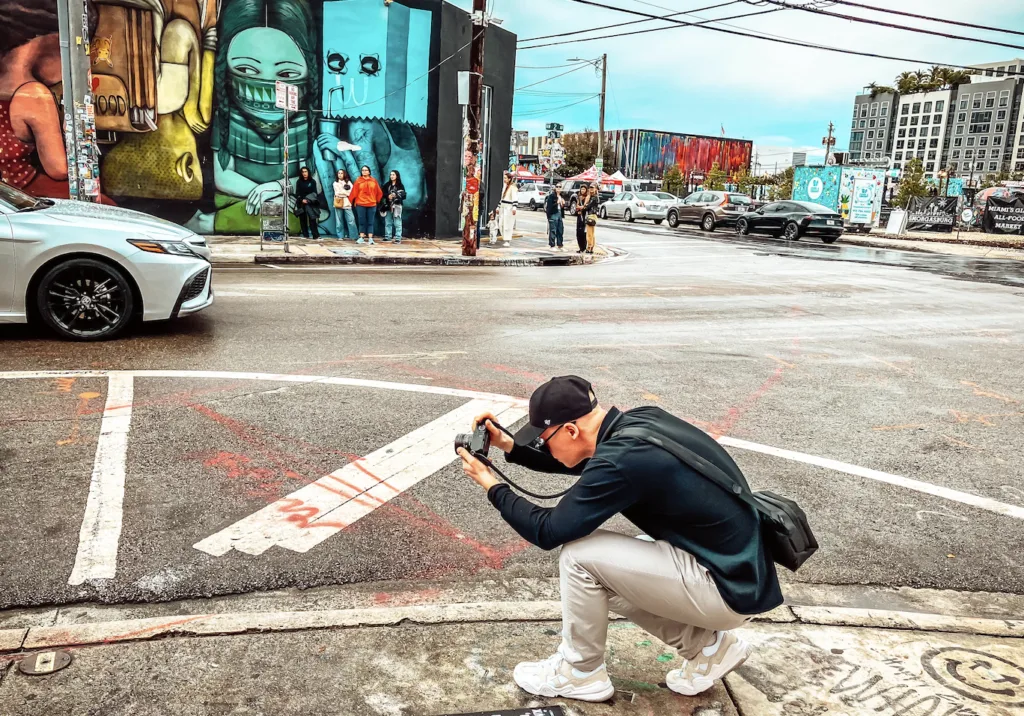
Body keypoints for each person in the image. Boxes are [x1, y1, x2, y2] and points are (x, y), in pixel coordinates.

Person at [457, 375, 783, 703]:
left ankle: (580, 673)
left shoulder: (622, 460)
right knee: (606, 574)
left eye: (543, 441)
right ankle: (709, 648)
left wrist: (492, 486)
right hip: (739, 573)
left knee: (580, 556)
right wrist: (508, 445)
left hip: (725, 587)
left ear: (570, 430)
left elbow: (548, 531)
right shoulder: (640, 423)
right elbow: (586, 463)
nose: (544, 448)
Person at [350, 165, 383, 244]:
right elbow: (354, 192)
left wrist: (376, 200)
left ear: (369, 171)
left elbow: (379, 192)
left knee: (370, 222)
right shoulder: (358, 181)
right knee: (362, 221)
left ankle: (370, 238)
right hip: (360, 203)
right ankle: (361, 237)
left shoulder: (373, 181)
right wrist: (351, 201)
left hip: (371, 204)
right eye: (363, 170)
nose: (364, 171)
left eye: (366, 170)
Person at [294, 166, 320, 240]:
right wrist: (302, 200)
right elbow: (297, 193)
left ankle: (315, 235)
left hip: (310, 203)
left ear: (308, 172)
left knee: (312, 219)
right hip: (301, 203)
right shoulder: (299, 182)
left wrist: (308, 200)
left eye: (306, 172)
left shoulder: (312, 181)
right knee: (303, 220)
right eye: (303, 172)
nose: (304, 173)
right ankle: (306, 235)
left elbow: (314, 193)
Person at [382, 170, 406, 243]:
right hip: (388, 205)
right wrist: (388, 196)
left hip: (397, 205)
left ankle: (398, 237)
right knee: (388, 221)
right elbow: (383, 193)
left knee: (397, 221)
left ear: (397, 176)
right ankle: (388, 236)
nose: (392, 176)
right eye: (391, 175)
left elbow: (404, 196)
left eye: (393, 175)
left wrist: (396, 195)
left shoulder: (400, 185)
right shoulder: (387, 185)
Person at [332, 169, 357, 239]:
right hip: (338, 202)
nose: (340, 174)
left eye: (341, 173)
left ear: (344, 174)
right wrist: (345, 192)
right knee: (339, 221)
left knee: (351, 220)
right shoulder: (335, 183)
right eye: (339, 173)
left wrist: (342, 192)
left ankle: (354, 236)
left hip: (347, 203)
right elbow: (337, 193)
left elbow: (351, 192)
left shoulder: (348, 182)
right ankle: (340, 236)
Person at [498, 172, 518, 247]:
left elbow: (515, 198)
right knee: (501, 224)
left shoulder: (513, 187)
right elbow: (502, 198)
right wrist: (498, 207)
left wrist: (514, 207)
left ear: (509, 179)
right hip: (503, 207)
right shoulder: (505, 186)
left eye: (505, 178)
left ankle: (507, 240)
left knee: (508, 224)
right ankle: (505, 238)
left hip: (509, 207)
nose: (504, 180)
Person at [544, 184, 565, 250]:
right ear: (555, 188)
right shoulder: (552, 196)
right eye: (557, 187)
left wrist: (562, 204)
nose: (558, 188)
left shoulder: (561, 196)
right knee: (553, 230)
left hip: (559, 214)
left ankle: (560, 245)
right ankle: (552, 245)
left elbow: (562, 207)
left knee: (560, 230)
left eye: (560, 187)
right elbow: (549, 207)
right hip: (553, 214)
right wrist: (557, 202)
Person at [574, 185, 591, 253]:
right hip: (579, 215)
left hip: (584, 216)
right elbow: (577, 206)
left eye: (584, 189)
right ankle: (580, 247)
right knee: (578, 232)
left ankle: (584, 247)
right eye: (581, 189)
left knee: (583, 232)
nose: (582, 190)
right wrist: (579, 208)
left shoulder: (587, 197)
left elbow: (585, 206)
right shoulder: (579, 197)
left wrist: (581, 207)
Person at [585, 183, 600, 254]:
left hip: (591, 215)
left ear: (596, 189)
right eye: (590, 188)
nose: (591, 190)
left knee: (589, 233)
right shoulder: (595, 197)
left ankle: (589, 247)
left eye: (592, 188)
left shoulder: (594, 197)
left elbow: (588, 206)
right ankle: (591, 246)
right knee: (592, 233)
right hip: (593, 215)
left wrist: (586, 202)